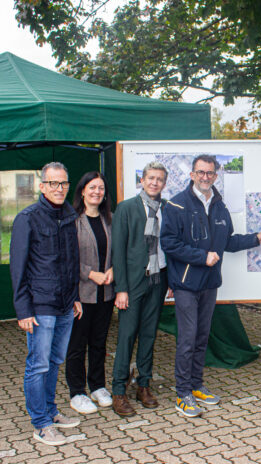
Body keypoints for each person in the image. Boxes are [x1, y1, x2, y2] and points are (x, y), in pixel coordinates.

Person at [160, 154, 261, 418]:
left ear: (216, 175)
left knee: (202, 336)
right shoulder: (176, 205)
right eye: (201, 172)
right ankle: (182, 393)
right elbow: (169, 243)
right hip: (186, 283)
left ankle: (197, 385)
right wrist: (202, 257)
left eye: (210, 173)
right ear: (192, 175)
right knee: (187, 339)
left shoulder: (220, 206)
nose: (205, 177)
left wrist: (256, 239)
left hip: (210, 283)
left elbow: (228, 242)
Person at [10, 162, 83, 446]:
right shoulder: (27, 218)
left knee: (54, 361)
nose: (59, 188)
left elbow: (72, 260)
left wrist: (75, 296)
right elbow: (18, 267)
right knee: (38, 365)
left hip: (65, 304)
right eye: (53, 183)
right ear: (42, 186)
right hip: (40, 306)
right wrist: (23, 309)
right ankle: (40, 424)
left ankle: (51, 413)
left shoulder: (68, 214)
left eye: (63, 183)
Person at [110, 162, 170, 417]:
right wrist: (121, 289)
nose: (155, 182)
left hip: (158, 279)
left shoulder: (167, 209)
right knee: (126, 336)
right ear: (142, 180)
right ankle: (118, 391)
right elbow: (118, 252)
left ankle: (143, 385)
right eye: (151, 178)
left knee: (149, 335)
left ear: (164, 183)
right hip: (133, 282)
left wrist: (171, 282)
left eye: (159, 179)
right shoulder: (126, 209)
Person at [64, 172, 115, 414]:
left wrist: (114, 268)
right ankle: (77, 392)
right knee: (77, 345)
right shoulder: (71, 221)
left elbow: (118, 251)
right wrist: (90, 273)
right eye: (92, 187)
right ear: (82, 191)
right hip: (81, 296)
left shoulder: (110, 220)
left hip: (106, 294)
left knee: (99, 342)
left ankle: (97, 386)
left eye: (101, 188)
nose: (97, 191)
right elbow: (65, 259)